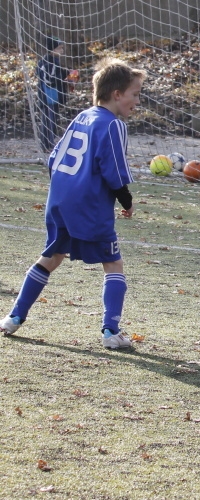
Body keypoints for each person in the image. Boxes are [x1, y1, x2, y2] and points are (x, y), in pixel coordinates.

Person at [1, 59, 143, 349]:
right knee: (113, 262)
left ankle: (13, 317)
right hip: (88, 206)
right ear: (117, 94)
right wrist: (127, 200)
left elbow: (54, 160)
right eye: (135, 94)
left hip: (59, 200)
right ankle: (110, 332)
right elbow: (113, 171)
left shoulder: (82, 117)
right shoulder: (113, 124)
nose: (136, 101)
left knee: (51, 257)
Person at [35, 36, 78, 152]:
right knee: (48, 120)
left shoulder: (55, 61)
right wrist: (64, 77)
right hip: (48, 97)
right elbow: (49, 79)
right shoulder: (46, 62)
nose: (62, 51)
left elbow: (57, 74)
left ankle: (50, 142)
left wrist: (69, 74)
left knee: (53, 120)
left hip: (54, 97)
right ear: (52, 49)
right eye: (59, 48)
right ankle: (46, 144)